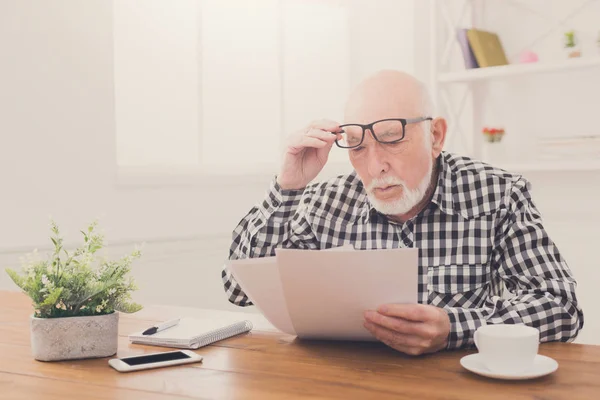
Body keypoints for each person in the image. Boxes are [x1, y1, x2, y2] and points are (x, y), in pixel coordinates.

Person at [221, 70, 584, 355]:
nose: (376, 166)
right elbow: (238, 289)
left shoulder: (497, 194)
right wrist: (288, 188)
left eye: (392, 137)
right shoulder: (322, 201)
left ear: (436, 136)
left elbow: (561, 307)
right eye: (357, 147)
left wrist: (456, 328)